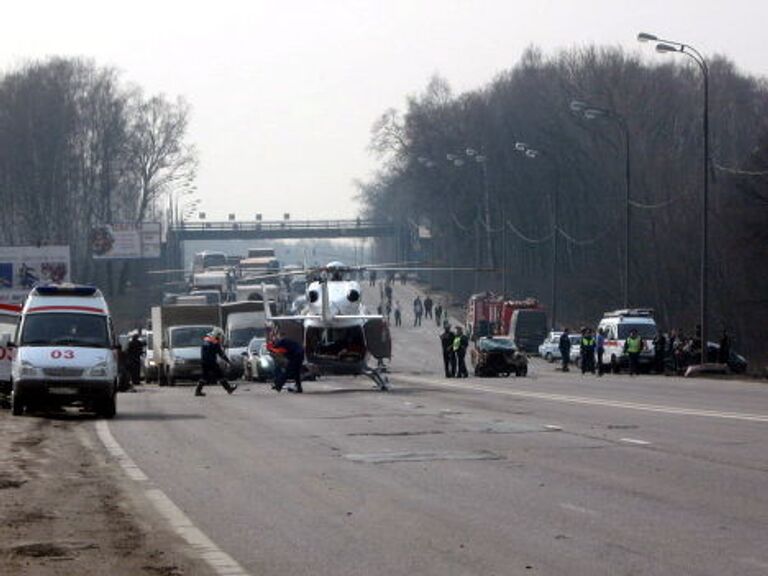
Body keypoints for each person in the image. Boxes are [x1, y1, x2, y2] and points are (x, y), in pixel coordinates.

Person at [195, 328, 235, 396]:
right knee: (220, 375)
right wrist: (228, 361)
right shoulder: (215, 342)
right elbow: (221, 354)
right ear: (217, 335)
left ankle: (198, 391)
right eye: (220, 336)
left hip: (204, 361)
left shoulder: (206, 339)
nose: (220, 338)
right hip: (211, 362)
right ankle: (229, 389)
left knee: (204, 377)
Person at [267, 329, 305, 393]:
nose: (277, 337)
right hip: (300, 356)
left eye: (278, 336)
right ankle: (299, 388)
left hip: (296, 356)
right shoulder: (288, 341)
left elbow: (273, 347)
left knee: (287, 372)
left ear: (280, 336)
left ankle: (278, 386)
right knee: (296, 373)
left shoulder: (283, 341)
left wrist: (271, 341)